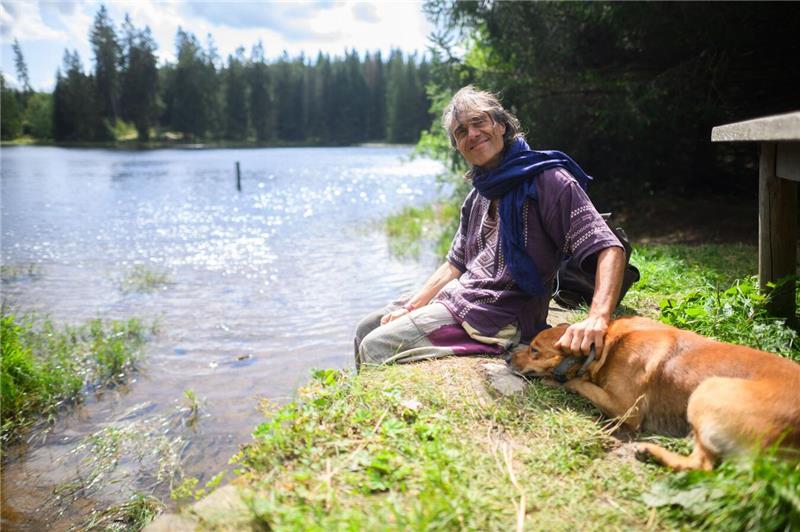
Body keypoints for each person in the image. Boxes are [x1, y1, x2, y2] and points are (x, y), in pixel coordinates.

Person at [354, 85, 625, 370]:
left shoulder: (549, 181)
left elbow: (607, 246)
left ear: (502, 125)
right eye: (461, 132)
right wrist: (412, 307)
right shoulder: (477, 195)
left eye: (479, 122)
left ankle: (378, 409)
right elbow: (453, 265)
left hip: (501, 317)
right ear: (458, 146)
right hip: (463, 299)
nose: (471, 134)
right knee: (365, 327)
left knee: (375, 345)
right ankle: (354, 408)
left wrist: (598, 316)